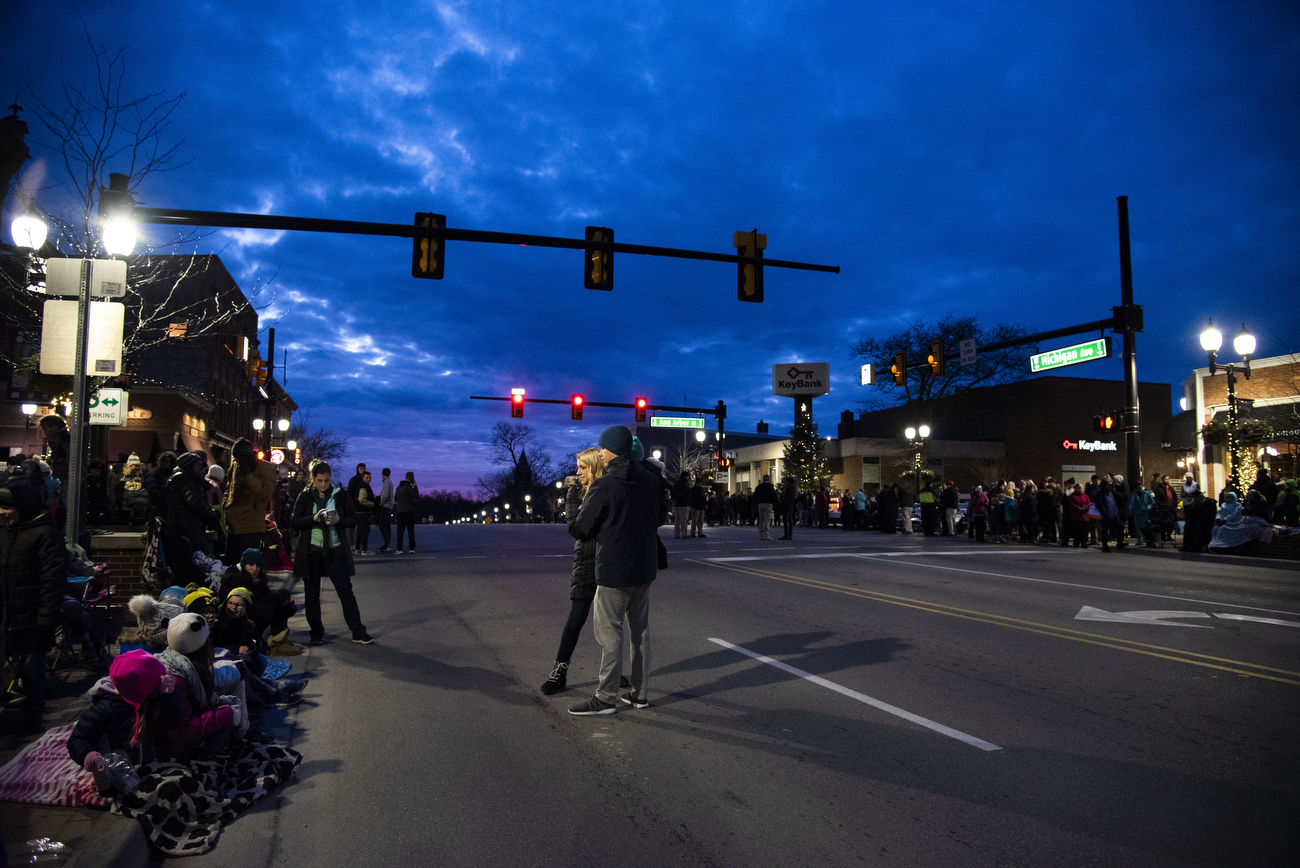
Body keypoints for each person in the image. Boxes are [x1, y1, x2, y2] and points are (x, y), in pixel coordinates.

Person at [567, 426, 660, 715]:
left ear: (611, 450)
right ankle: (640, 694)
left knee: (610, 634)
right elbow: (658, 518)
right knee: (640, 632)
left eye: (602, 448)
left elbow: (582, 528)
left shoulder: (605, 485)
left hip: (614, 568)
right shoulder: (652, 481)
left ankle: (605, 697)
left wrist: (573, 504)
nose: (600, 453)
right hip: (644, 567)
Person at [0, 477, 66, 733]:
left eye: (8, 507)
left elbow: (52, 582)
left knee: (31, 670)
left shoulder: (45, 534)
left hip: (32, 618)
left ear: (23, 506)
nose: (2, 512)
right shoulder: (4, 533)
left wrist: (45, 621)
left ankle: (33, 716)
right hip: (5, 616)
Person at [67, 650, 182, 795]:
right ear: (141, 687)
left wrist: (168, 697)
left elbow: (173, 724)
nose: (162, 682)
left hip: (149, 765)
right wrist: (88, 756)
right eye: (157, 681)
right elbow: (77, 740)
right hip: (115, 775)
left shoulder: (151, 700)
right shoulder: (105, 708)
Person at [540, 448, 604, 694]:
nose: (578, 473)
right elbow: (576, 528)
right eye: (578, 468)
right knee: (576, 619)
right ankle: (559, 671)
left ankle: (612, 671)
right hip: (586, 561)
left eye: (583, 468)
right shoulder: (575, 491)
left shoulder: (609, 487)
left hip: (609, 561)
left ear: (595, 467)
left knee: (609, 623)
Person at [291, 461, 374, 645]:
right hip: (312, 550)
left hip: (335, 549)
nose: (323, 484)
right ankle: (316, 633)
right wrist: (314, 518)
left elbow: (353, 519)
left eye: (326, 480)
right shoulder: (305, 496)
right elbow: (294, 522)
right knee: (312, 593)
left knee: (345, 591)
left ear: (331, 479)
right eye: (319, 481)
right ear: (313, 479)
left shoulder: (340, 495)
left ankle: (358, 631)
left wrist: (338, 519)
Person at [154, 613, 243, 761]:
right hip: (173, 750)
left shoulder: (173, 662)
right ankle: (209, 759)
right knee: (229, 712)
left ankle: (241, 732)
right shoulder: (176, 679)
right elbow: (183, 730)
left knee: (228, 703)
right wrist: (228, 715)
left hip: (172, 742)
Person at [223, 438, 278, 564]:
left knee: (248, 563)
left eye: (241, 458)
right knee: (231, 562)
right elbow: (229, 488)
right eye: (236, 458)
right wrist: (226, 505)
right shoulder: (235, 466)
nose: (239, 461)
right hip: (233, 523)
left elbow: (265, 491)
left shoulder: (265, 467)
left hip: (251, 524)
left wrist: (248, 475)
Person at [165, 451, 217, 557]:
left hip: (187, 523)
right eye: (198, 465)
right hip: (188, 524)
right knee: (206, 556)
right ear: (190, 465)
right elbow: (194, 501)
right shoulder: (183, 478)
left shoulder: (185, 477)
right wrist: (211, 514)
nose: (201, 468)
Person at [393, 471, 418, 554]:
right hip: (409, 511)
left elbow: (395, 499)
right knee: (410, 531)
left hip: (400, 511)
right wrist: (415, 486)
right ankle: (411, 548)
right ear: (412, 478)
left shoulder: (398, 487)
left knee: (400, 532)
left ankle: (399, 548)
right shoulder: (408, 487)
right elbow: (415, 496)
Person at [353, 470, 376, 555]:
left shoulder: (362, 485)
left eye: (370, 477)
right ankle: (364, 549)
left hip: (359, 512)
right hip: (363, 512)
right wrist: (372, 504)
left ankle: (358, 548)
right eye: (367, 477)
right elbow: (362, 500)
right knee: (365, 531)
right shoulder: (363, 486)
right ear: (363, 478)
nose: (369, 479)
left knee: (360, 531)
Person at [1129, 479, 1156, 545]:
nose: (1139, 487)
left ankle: (1145, 539)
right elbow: (1131, 503)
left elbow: (1152, 502)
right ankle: (1140, 540)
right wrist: (1131, 509)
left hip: (1144, 512)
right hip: (1137, 512)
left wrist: (1147, 508)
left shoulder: (1146, 493)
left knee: (1144, 526)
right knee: (1138, 527)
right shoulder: (1134, 494)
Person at [1066, 484, 1092, 548]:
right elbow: (1071, 504)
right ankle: (1076, 543)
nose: (1080, 489)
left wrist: (1085, 507)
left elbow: (1088, 503)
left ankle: (1084, 543)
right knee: (1076, 530)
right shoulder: (1072, 496)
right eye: (1078, 488)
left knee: (1085, 530)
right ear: (1075, 488)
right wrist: (1078, 508)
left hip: (1085, 515)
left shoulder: (1085, 495)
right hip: (1076, 516)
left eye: (1081, 488)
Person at [753, 474, 778, 541]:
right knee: (767, 520)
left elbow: (755, 496)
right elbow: (774, 496)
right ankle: (766, 534)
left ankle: (761, 534)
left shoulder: (759, 487)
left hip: (760, 504)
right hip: (768, 504)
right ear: (768, 479)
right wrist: (775, 503)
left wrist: (755, 504)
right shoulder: (770, 487)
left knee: (761, 520)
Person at [376, 467, 394, 552]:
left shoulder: (386, 482)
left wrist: (381, 503)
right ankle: (387, 543)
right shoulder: (390, 482)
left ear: (382, 474)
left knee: (382, 525)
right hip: (390, 505)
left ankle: (387, 544)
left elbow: (385, 495)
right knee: (387, 525)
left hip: (386, 505)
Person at [671, 472, 692, 540]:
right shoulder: (685, 483)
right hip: (684, 504)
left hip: (677, 504)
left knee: (677, 520)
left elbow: (673, 493)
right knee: (684, 519)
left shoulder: (677, 483)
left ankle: (676, 534)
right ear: (686, 476)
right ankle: (684, 534)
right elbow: (686, 493)